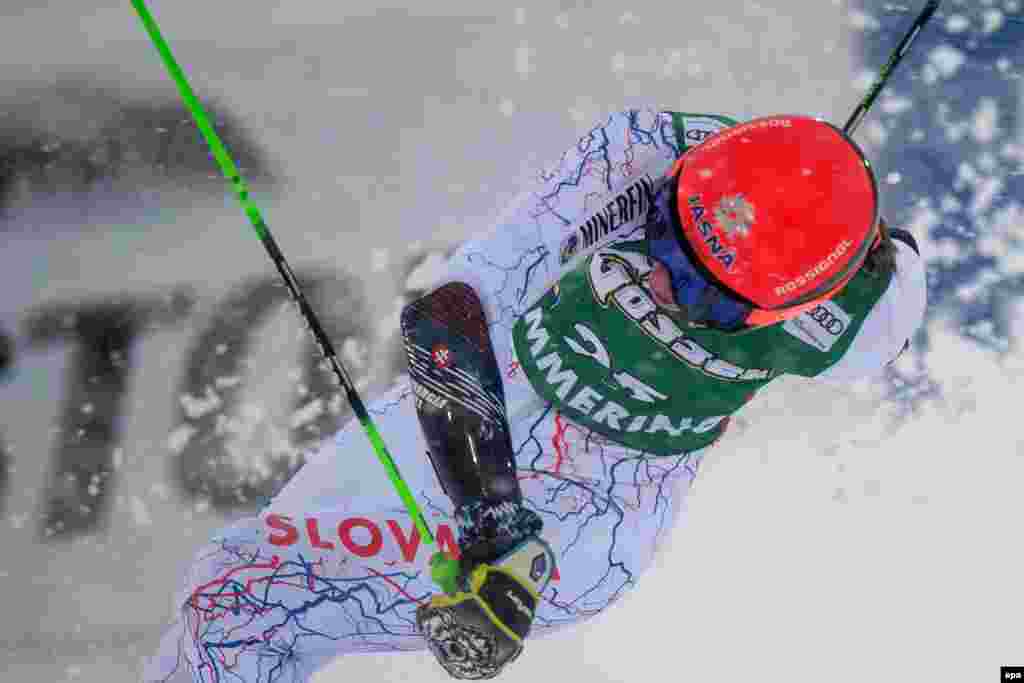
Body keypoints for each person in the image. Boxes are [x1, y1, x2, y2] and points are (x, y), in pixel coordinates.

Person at [144, 109, 927, 682]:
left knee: (245, 603)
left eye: (704, 291)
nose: (661, 278)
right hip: (487, 405)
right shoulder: (638, 156)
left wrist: (515, 544)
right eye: (666, 239)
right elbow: (448, 313)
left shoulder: (864, 320)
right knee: (231, 597)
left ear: (788, 307)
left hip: (595, 512)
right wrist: (491, 516)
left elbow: (895, 264)